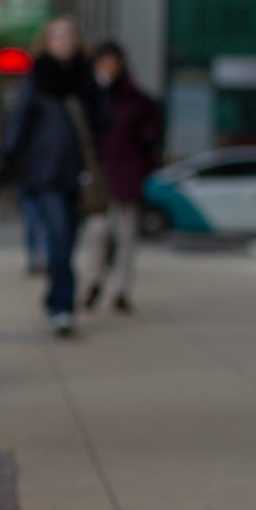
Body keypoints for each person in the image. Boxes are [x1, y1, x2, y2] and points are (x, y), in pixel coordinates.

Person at [0, 16, 96, 336]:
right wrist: (11, 162)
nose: (64, 40)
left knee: (67, 243)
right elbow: (17, 123)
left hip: (78, 175)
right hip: (45, 174)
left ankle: (57, 299)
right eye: (57, 35)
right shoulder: (36, 79)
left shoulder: (85, 80)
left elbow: (103, 122)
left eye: (69, 34)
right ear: (46, 41)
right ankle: (61, 307)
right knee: (59, 238)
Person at [82, 41, 161, 315]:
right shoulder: (91, 96)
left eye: (112, 62)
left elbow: (151, 135)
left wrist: (142, 161)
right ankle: (93, 281)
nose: (108, 67)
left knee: (127, 235)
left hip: (127, 175)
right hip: (100, 177)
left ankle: (121, 290)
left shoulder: (136, 99)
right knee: (98, 232)